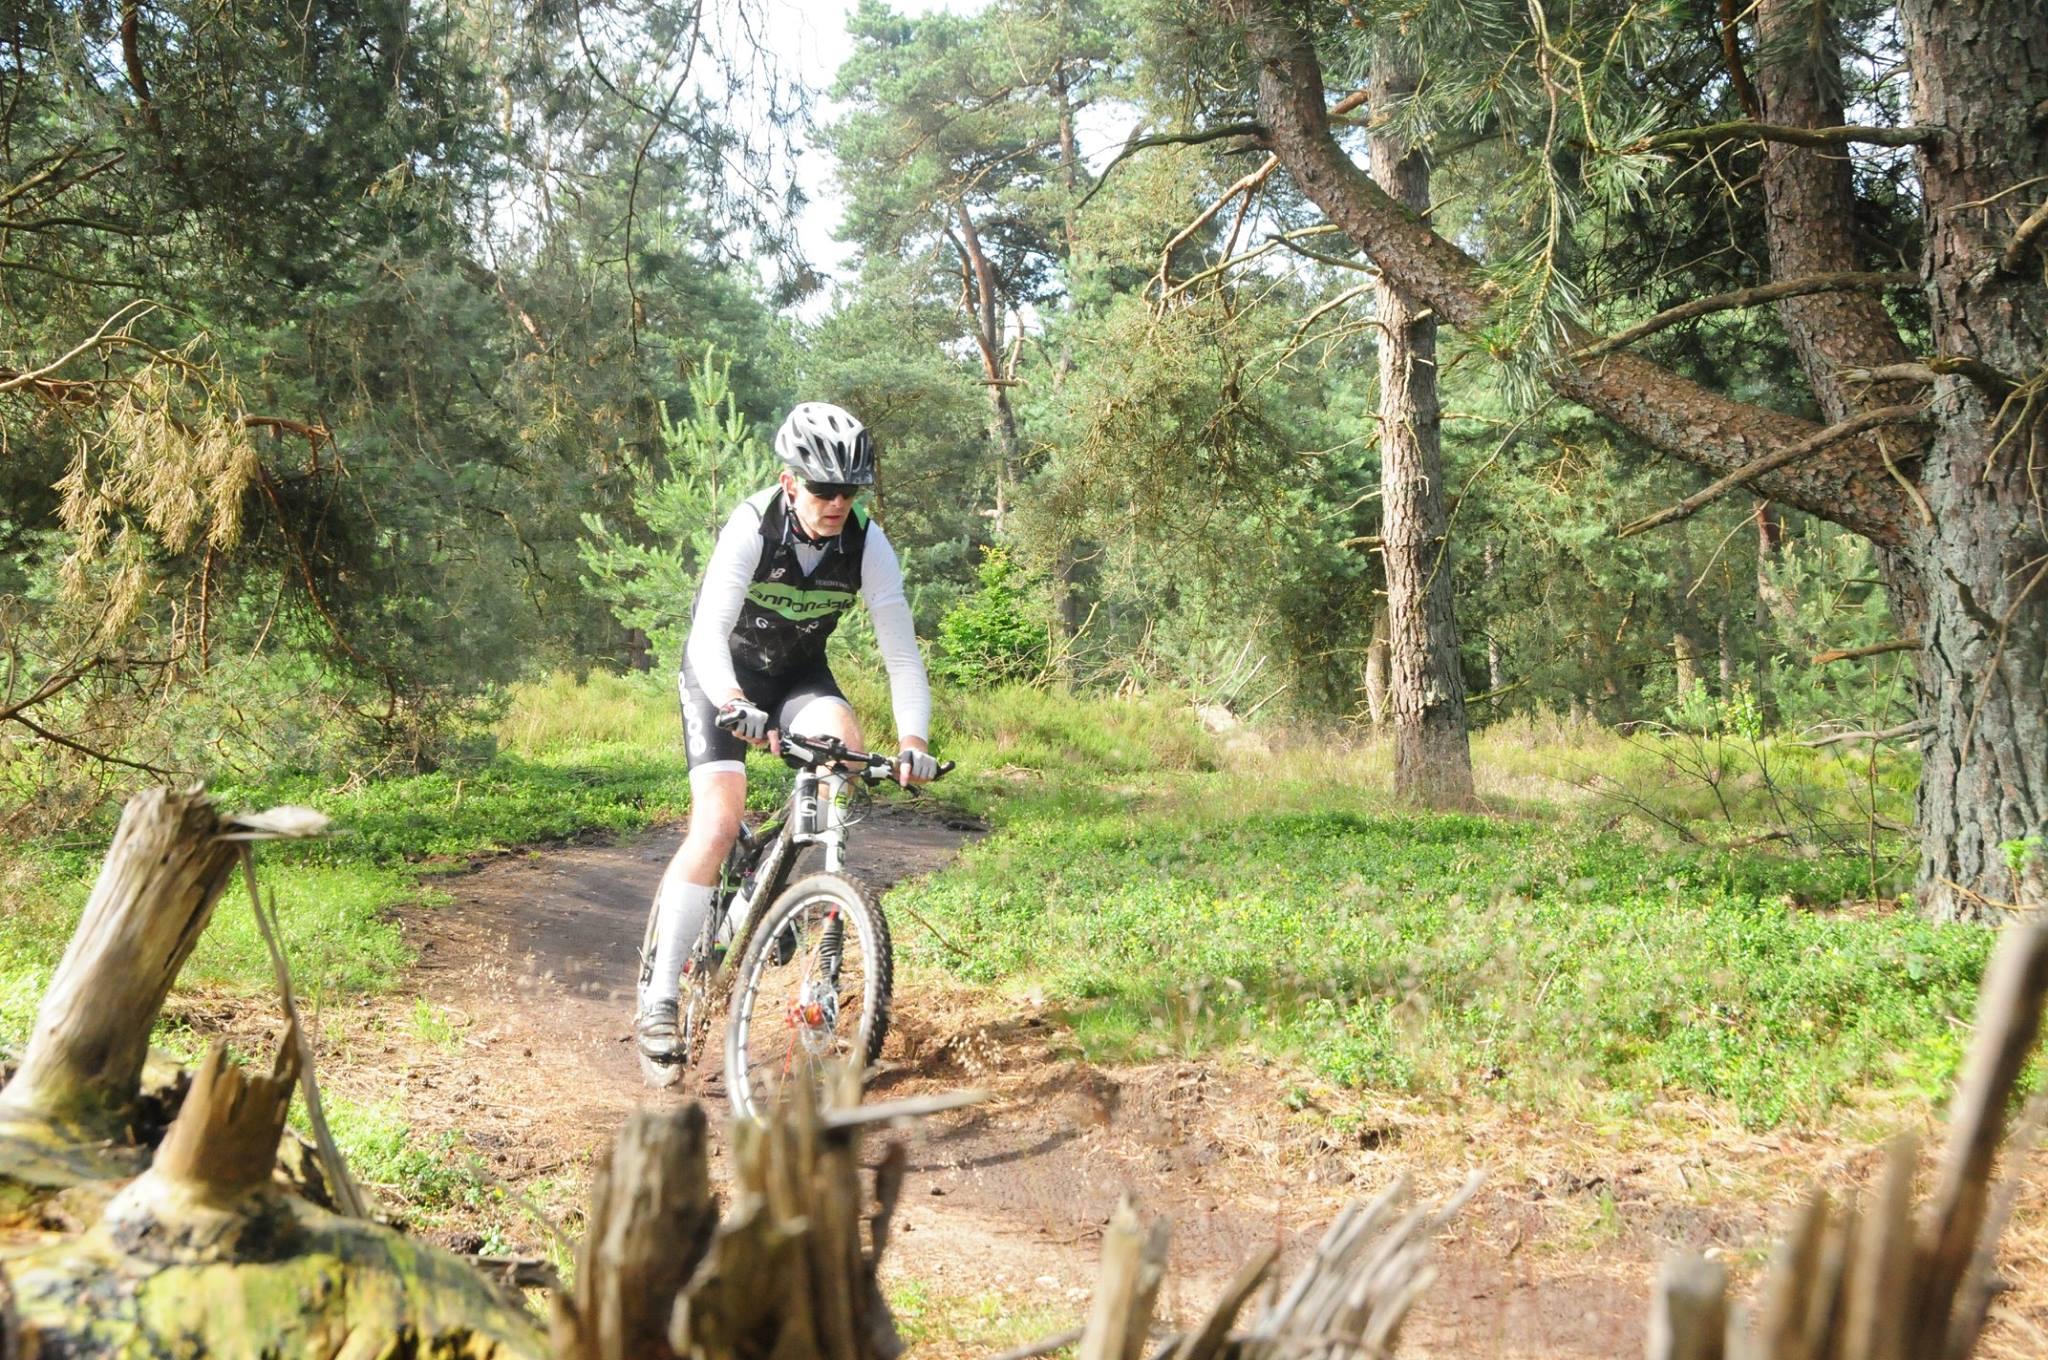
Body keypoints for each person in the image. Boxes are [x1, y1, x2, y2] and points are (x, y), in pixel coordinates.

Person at [636, 400, 939, 1063]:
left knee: (846, 751)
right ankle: (661, 996)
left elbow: (902, 656)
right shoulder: (752, 527)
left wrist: (913, 743)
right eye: (824, 489)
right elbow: (707, 634)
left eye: (849, 490)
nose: (837, 503)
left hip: (799, 675)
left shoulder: (867, 542)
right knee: (717, 821)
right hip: (723, 675)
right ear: (789, 481)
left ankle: (782, 889)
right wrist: (734, 701)